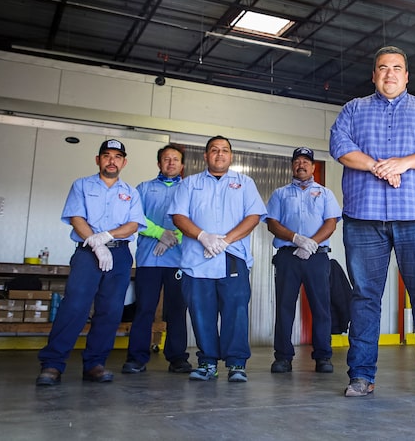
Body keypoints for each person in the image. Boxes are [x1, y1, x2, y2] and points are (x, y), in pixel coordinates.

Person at [329, 45, 415, 398]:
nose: (390, 74)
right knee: (365, 296)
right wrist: (376, 165)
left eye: (397, 68)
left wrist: (403, 162)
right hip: (364, 216)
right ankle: (361, 376)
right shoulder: (354, 109)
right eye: (383, 68)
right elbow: (339, 145)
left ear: (407, 75)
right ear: (374, 74)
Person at [36, 139, 146, 386]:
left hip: (119, 254)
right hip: (88, 252)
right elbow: (77, 218)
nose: (111, 160)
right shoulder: (82, 185)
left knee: (110, 309)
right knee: (75, 306)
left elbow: (133, 224)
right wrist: (96, 243)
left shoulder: (131, 192)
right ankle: (52, 365)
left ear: (124, 162)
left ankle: (95, 364)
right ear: (98, 159)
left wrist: (108, 236)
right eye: (106, 155)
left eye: (117, 157)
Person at [170, 135, 266, 383]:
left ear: (231, 156)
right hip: (197, 260)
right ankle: (207, 362)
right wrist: (202, 236)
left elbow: (253, 217)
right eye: (214, 150)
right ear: (206, 156)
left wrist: (226, 240)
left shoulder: (244, 183)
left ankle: (236, 364)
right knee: (202, 312)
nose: (219, 154)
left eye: (224, 150)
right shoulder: (189, 183)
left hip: (232, 258)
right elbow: (178, 216)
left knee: (236, 311)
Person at [265, 147, 342, 374]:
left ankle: (323, 357)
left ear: (313, 167)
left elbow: (330, 223)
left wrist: (311, 244)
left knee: (321, 308)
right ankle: (283, 357)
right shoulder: (280, 194)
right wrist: (296, 239)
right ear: (292, 166)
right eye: (297, 161)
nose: (301, 164)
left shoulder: (325, 193)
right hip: (288, 256)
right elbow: (272, 223)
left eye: (306, 161)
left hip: (316, 257)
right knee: (284, 307)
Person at [122, 144, 192, 375]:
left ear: (182, 165)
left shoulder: (190, 189)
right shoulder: (143, 188)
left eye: (175, 159)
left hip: (179, 261)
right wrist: (159, 233)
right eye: (166, 159)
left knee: (177, 311)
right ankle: (136, 358)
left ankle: (177, 357)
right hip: (149, 260)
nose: (170, 163)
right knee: (144, 309)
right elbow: (135, 218)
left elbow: (195, 220)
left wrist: (172, 237)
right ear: (159, 163)